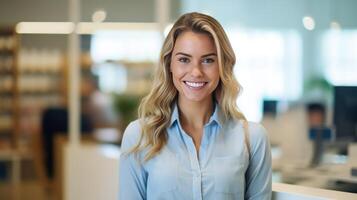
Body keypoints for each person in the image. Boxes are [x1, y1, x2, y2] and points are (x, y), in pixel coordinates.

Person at [119, 12, 272, 200]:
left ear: (222, 66)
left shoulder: (253, 139)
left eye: (208, 60)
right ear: (170, 65)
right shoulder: (139, 136)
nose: (196, 72)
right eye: (184, 59)